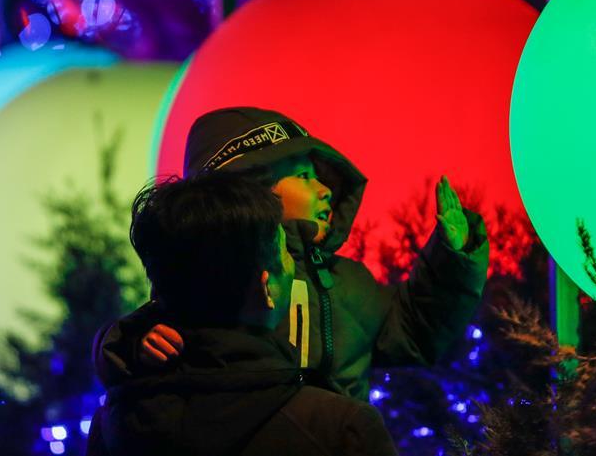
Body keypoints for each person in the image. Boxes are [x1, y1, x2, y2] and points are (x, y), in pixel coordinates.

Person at [96, 107, 489, 401]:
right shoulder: (215, 280)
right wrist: (138, 346)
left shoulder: (350, 283)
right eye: (303, 176)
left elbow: (414, 331)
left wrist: (453, 258)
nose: (325, 190)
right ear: (251, 191)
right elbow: (132, 336)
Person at [93, 171, 399, 456]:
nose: (294, 269)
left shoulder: (114, 426)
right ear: (266, 289)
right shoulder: (342, 430)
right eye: (285, 252)